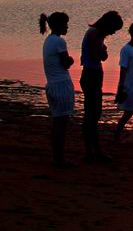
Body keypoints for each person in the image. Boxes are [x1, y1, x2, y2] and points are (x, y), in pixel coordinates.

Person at [80, 10, 123, 163]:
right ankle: (91, 152)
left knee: (94, 114)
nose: (113, 33)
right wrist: (103, 51)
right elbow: (98, 56)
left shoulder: (97, 35)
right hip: (90, 75)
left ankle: (94, 151)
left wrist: (103, 52)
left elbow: (101, 56)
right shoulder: (93, 33)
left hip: (94, 75)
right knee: (91, 114)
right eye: (114, 29)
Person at [39, 12, 76, 168]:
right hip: (61, 86)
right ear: (59, 25)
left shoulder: (48, 40)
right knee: (62, 124)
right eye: (65, 24)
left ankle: (57, 157)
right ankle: (59, 159)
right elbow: (66, 63)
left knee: (57, 123)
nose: (67, 26)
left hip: (52, 85)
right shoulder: (59, 42)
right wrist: (72, 59)